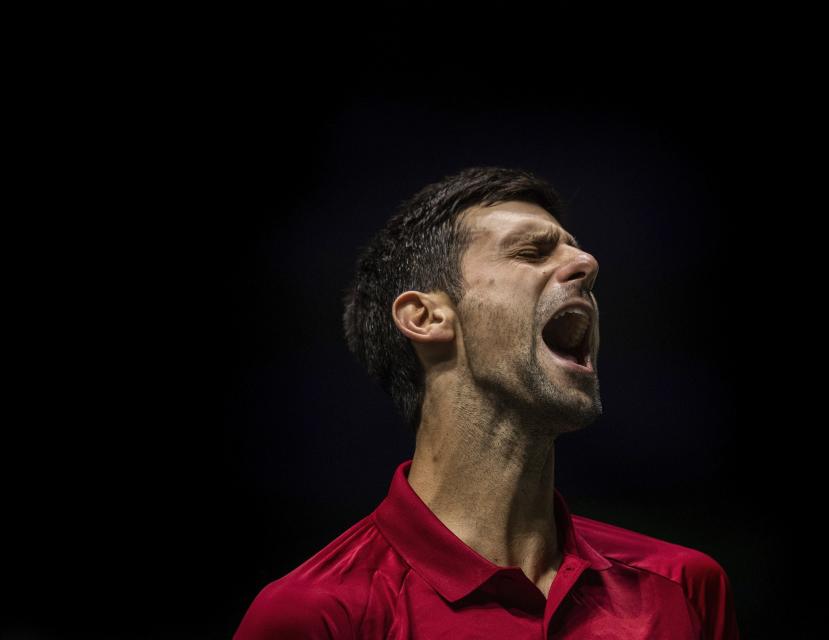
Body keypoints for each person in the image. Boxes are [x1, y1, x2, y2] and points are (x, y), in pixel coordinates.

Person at [234, 166, 741, 639]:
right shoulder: (318, 613)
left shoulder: (685, 586)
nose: (588, 264)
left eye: (575, 250)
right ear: (425, 318)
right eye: (531, 253)